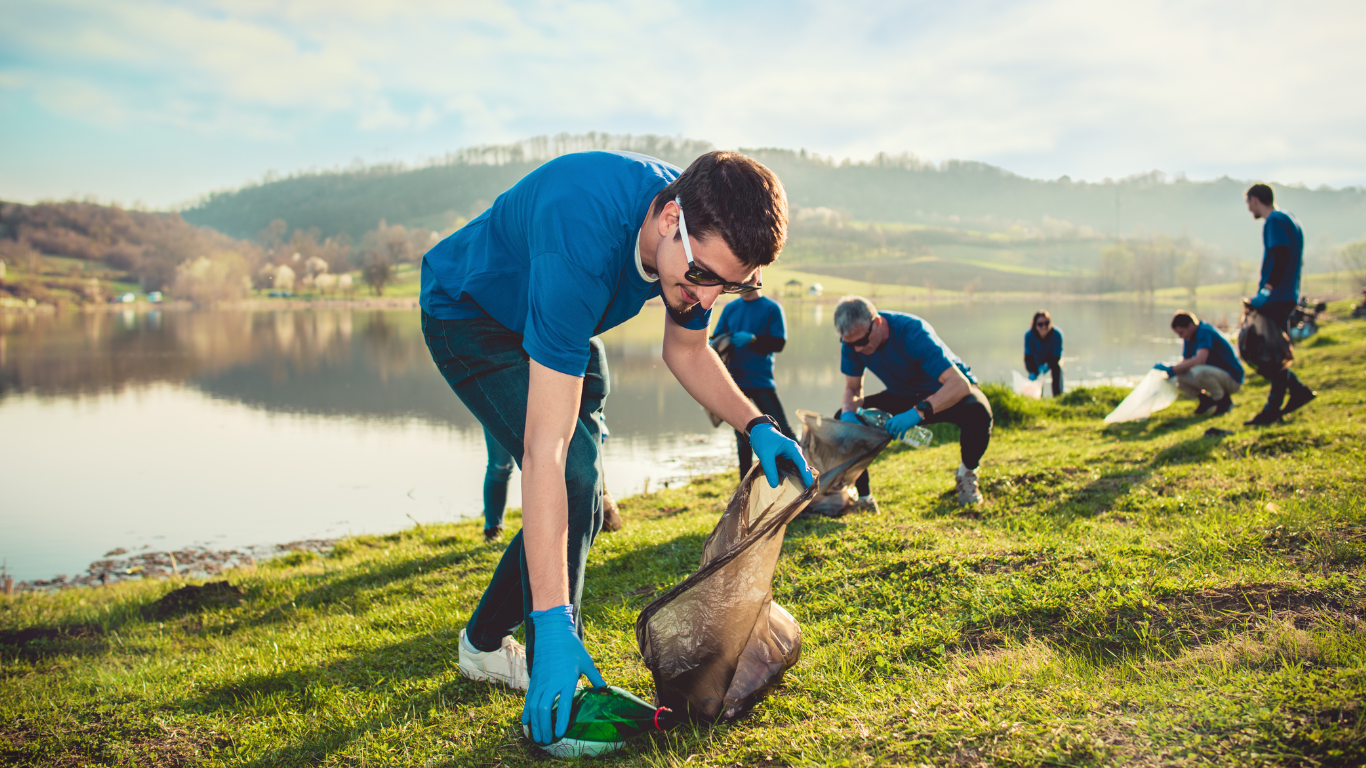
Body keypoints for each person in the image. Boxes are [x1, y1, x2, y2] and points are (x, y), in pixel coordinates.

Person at [419, 150, 814, 748]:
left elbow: (686, 350)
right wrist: (554, 624)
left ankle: (482, 645)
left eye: (729, 286)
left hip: (559, 319)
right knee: (575, 477)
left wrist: (756, 424)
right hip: (471, 316)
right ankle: (555, 688)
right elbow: (546, 452)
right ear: (669, 219)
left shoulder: (695, 227)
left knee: (581, 493)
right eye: (702, 276)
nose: (706, 300)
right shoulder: (581, 241)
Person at [832, 296, 993, 508]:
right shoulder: (854, 341)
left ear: (877, 323)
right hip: (904, 394)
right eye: (848, 344)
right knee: (841, 419)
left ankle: (967, 474)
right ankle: (864, 499)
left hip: (945, 392)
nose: (857, 350)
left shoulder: (913, 332)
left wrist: (916, 413)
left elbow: (959, 384)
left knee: (978, 411)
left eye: (861, 342)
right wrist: (848, 415)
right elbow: (853, 389)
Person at [1243, 183, 1316, 426]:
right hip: (1287, 294)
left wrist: (1267, 289)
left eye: (1248, 203)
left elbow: (1281, 255)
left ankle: (1272, 408)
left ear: (1255, 199)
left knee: (1271, 352)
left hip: (1276, 296)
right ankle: (1296, 392)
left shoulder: (1273, 221)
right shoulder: (1290, 219)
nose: (1249, 209)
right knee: (1274, 351)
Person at [712, 285, 797, 480]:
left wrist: (753, 339)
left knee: (782, 429)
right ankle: (745, 484)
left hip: (761, 381)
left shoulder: (772, 308)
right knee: (742, 437)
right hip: (735, 382)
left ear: (757, 277)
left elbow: (779, 343)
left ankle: (802, 475)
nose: (742, 285)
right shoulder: (731, 308)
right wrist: (713, 342)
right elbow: (717, 338)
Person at [1155, 311, 1243, 416]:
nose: (1180, 337)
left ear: (1191, 325)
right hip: (1216, 375)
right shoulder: (1189, 337)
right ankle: (1206, 401)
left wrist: (1173, 368)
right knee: (1178, 376)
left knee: (1199, 371)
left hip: (1232, 378)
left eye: (1181, 333)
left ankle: (1223, 401)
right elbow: (1185, 362)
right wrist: (1171, 371)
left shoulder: (1204, 332)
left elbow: (1200, 360)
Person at [1023, 310, 1064, 397]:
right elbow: (1028, 358)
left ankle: (1057, 397)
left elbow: (1057, 356)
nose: (1044, 327)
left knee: (1056, 369)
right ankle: (1038, 398)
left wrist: (1048, 366)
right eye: (1040, 324)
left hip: (1053, 359)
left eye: (1046, 323)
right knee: (1036, 376)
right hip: (1036, 360)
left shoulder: (1057, 335)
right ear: (1035, 325)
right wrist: (1033, 371)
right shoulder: (1029, 336)